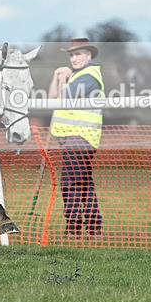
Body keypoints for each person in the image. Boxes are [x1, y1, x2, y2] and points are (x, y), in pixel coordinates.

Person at [48, 38, 104, 238]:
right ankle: (93, 226)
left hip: (81, 137)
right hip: (73, 138)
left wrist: (64, 79)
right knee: (84, 182)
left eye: (78, 54)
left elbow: (65, 98)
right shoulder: (78, 76)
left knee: (70, 182)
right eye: (72, 54)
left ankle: (73, 226)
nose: (74, 58)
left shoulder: (88, 76)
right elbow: (52, 97)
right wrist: (57, 76)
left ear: (88, 55)